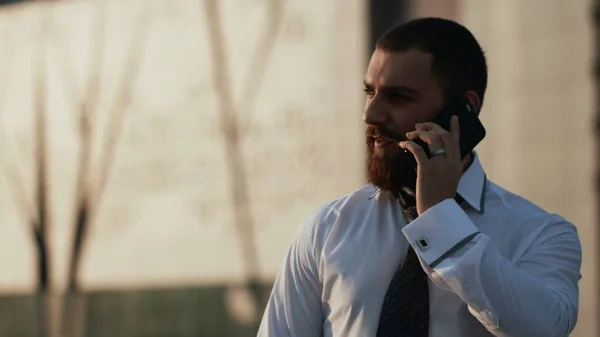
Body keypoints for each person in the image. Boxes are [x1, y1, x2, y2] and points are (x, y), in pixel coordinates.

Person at [257, 17, 581, 337]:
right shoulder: (326, 231)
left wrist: (442, 222)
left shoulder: (541, 234)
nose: (370, 114)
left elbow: (545, 328)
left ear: (462, 109)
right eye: (370, 92)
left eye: (398, 97)